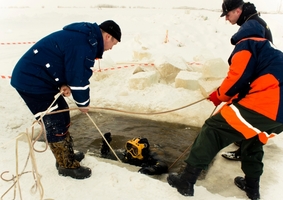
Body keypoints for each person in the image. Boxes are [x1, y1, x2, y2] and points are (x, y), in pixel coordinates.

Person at [167, 20, 283, 200]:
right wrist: (231, 99)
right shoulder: (270, 51)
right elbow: (250, 84)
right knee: (252, 138)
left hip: (269, 103)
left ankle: (187, 181)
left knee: (213, 129)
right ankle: (252, 187)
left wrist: (219, 96)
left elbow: (238, 78)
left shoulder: (247, 44)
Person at [10, 20, 121, 179]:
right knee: (55, 121)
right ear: (108, 36)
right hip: (31, 82)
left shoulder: (84, 39)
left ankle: (66, 155)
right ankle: (66, 166)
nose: (110, 48)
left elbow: (63, 62)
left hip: (41, 78)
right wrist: (83, 104)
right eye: (114, 44)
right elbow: (78, 79)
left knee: (63, 115)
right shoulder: (84, 43)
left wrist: (62, 83)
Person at [220, 0, 273, 161]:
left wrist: (227, 91)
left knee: (245, 111)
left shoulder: (252, 26)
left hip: (259, 80)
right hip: (262, 76)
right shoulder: (255, 21)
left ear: (237, 11)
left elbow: (248, 62)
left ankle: (245, 150)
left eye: (227, 15)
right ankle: (244, 142)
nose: (226, 19)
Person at [100, 132, 168, 175]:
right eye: (129, 147)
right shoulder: (126, 155)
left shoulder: (150, 157)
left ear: (141, 151)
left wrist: (151, 170)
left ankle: (159, 146)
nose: (130, 151)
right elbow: (105, 155)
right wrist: (105, 144)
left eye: (135, 150)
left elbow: (163, 165)